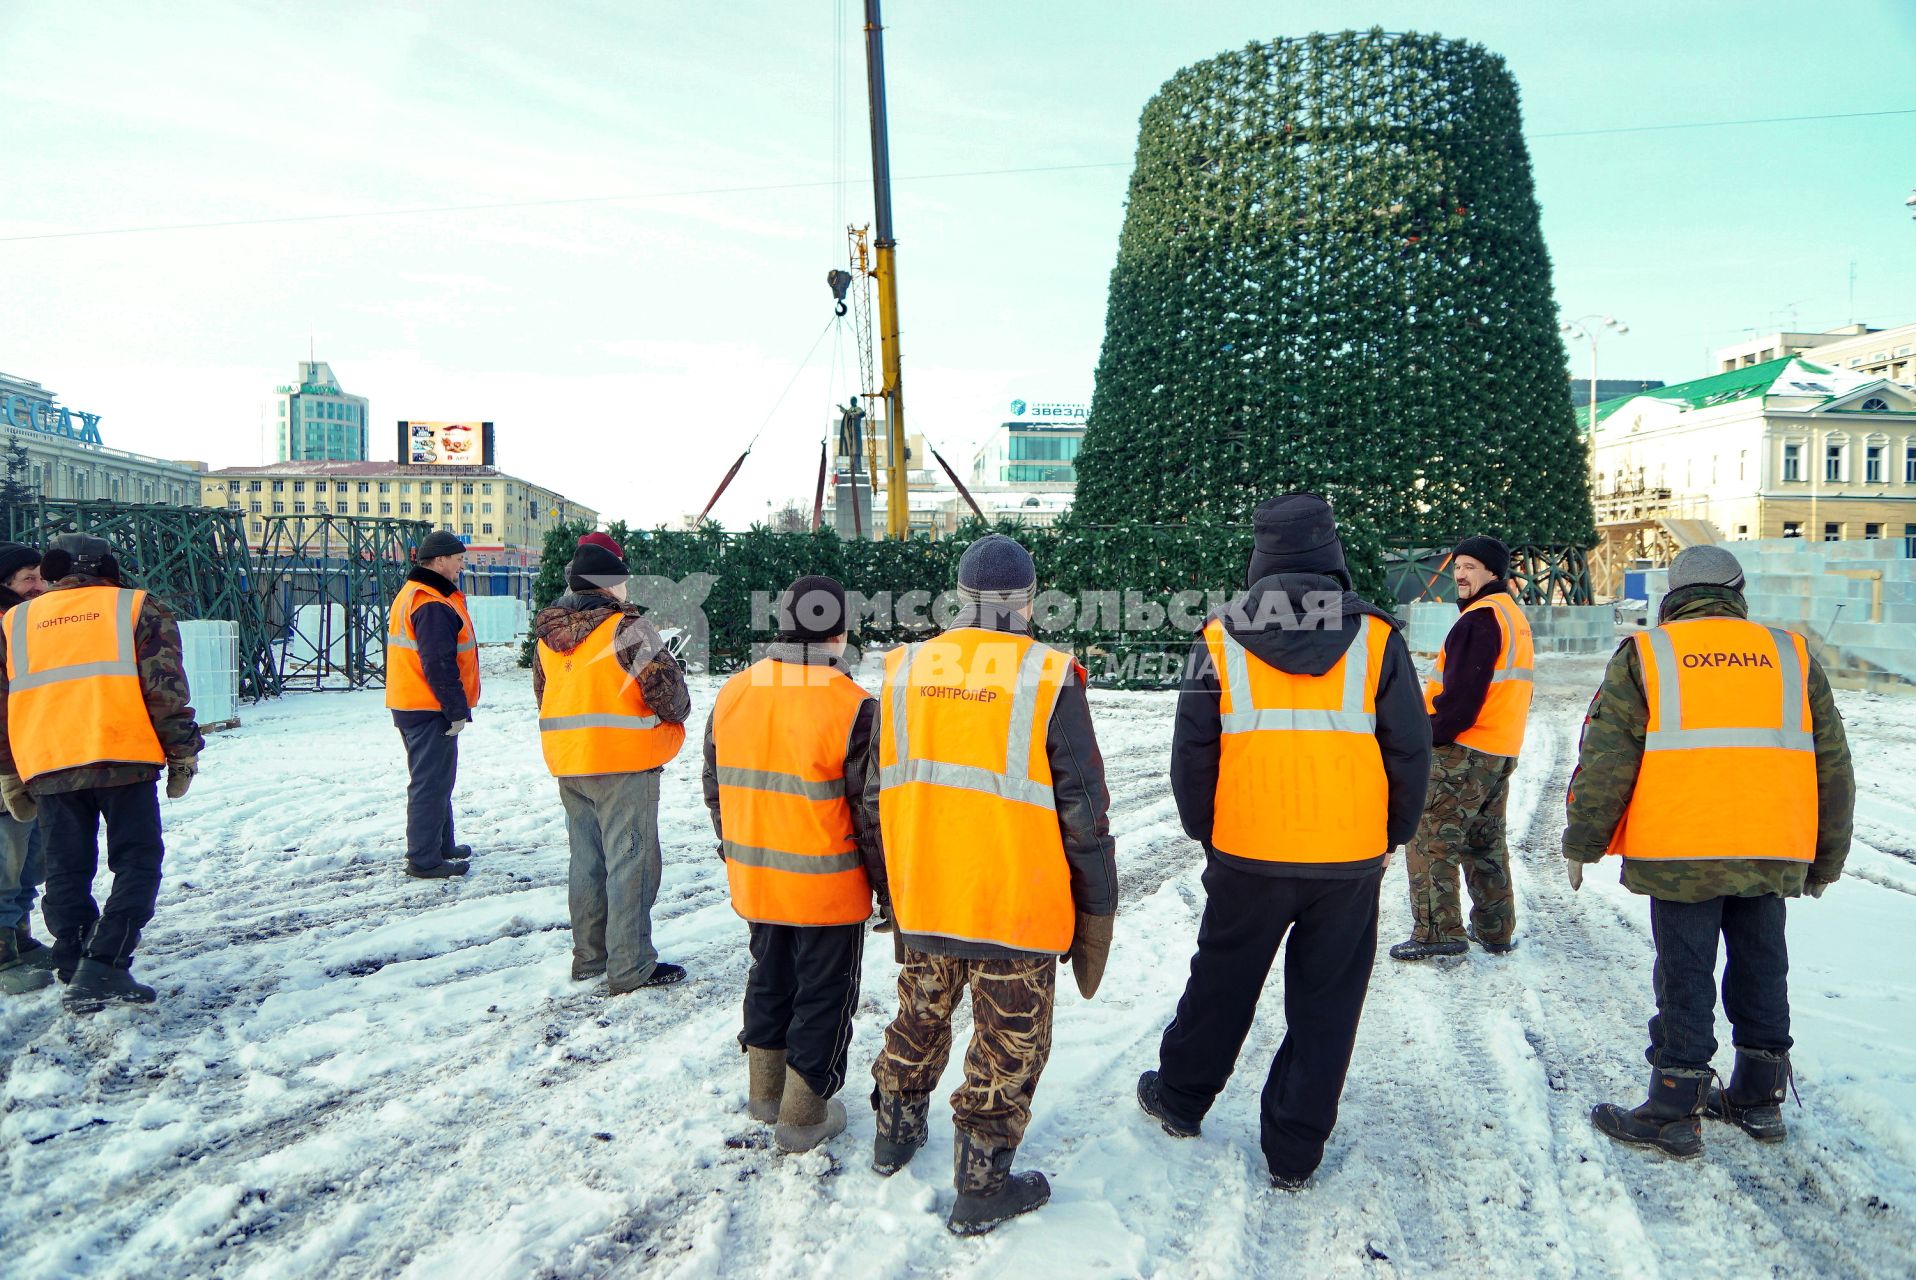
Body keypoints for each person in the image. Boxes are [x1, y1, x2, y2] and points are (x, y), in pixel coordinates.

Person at [1139, 493, 1432, 1190]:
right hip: (1349, 857)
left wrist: (1206, 829)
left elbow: (1193, 752)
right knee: (1328, 1002)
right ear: (1330, 552)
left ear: (1261, 556)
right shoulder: (1378, 639)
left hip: (1247, 852)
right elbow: (1410, 751)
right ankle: (1295, 1149)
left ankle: (1181, 1097)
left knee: (1223, 977)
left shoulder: (1218, 638)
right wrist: (1392, 832)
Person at [1564, 544, 1853, 1158]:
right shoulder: (1790, 654)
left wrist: (1583, 842)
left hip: (1681, 846)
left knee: (1685, 973)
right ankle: (1758, 1095)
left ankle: (1673, 1103)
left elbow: (1607, 759)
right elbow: (1833, 763)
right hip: (1770, 843)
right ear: (1739, 590)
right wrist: (1827, 856)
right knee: (1761, 961)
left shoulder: (1649, 654)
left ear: (1671, 594)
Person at [866, 534, 1117, 1236]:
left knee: (919, 1012)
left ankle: (894, 1136)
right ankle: (980, 1188)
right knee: (1009, 1043)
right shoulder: (1047, 673)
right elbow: (1084, 807)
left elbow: (873, 790)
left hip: (928, 890)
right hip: (1014, 898)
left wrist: (892, 888)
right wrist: (1100, 902)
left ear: (960, 596)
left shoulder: (904, 669)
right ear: (1027, 599)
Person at [703, 574, 882, 1153]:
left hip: (756, 876)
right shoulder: (852, 705)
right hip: (829, 886)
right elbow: (871, 810)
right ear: (838, 631)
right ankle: (805, 1115)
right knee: (825, 996)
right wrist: (888, 888)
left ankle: (764, 1093)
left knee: (770, 975)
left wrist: (735, 846)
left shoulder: (734, 691)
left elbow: (715, 783)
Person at [0, 534, 202, 1012]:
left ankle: (72, 955)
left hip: (48, 763)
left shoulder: (16, 620)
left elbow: (3, 704)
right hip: (123, 758)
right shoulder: (135, 608)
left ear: (51, 569)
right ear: (110, 567)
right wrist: (183, 753)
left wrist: (10, 772)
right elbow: (165, 688)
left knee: (66, 869)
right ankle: (106, 963)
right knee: (137, 862)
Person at [534, 533, 691, 993]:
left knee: (586, 862)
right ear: (608, 584)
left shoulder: (547, 635)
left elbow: (544, 696)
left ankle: (590, 959)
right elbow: (671, 697)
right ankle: (631, 967)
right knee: (632, 865)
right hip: (623, 764)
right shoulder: (628, 630)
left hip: (570, 762)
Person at [1391, 535, 1535, 960]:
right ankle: (1494, 928)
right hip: (1499, 748)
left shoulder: (1479, 620)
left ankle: (1438, 934)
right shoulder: (1510, 615)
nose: (1460, 573)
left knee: (1430, 839)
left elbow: (1460, 701)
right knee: (1483, 841)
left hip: (1463, 751)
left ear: (1494, 573)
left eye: (1471, 566)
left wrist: (1427, 735)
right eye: (1457, 566)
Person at [387, 530, 480, 879]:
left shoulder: (415, 594)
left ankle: (442, 844)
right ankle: (424, 859)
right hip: (429, 706)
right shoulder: (431, 602)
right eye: (457, 559)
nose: (460, 565)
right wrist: (455, 710)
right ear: (439, 560)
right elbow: (438, 664)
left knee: (437, 778)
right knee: (430, 782)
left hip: (413, 701)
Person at [0, 543, 55, 996]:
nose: (39, 586)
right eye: (28, 579)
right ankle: (2, 958)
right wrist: (6, 769)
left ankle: (20, 937)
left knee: (28, 860)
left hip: (32, 758)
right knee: (5, 861)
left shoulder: (25, 625)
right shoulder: (4, 629)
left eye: (40, 576)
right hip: (6, 764)